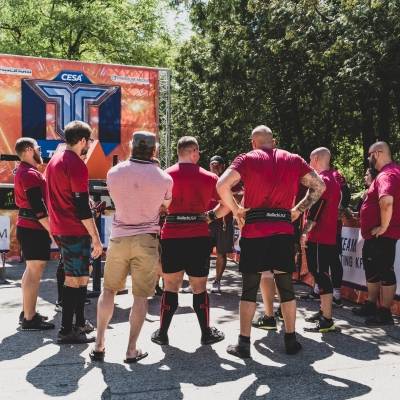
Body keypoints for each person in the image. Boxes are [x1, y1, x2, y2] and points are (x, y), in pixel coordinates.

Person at [217, 125, 325, 358]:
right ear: (273, 141)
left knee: (249, 288)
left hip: (254, 232)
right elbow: (319, 186)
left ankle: (243, 344)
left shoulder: (247, 158)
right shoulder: (293, 159)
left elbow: (221, 185)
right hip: (283, 231)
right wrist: (297, 210)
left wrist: (236, 210)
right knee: (286, 287)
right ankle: (291, 340)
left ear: (253, 143)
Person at [90, 131, 173, 363]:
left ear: (131, 146)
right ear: (154, 150)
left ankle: (99, 344)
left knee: (108, 291)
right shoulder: (164, 178)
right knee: (141, 297)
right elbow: (165, 205)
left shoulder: (114, 173)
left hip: (119, 237)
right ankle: (131, 349)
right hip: (146, 239)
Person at [151, 136, 229, 347]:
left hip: (172, 236)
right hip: (198, 236)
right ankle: (206, 333)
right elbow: (227, 204)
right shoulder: (209, 177)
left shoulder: (164, 175)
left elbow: (155, 206)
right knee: (199, 287)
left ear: (178, 152)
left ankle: (162, 334)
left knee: (170, 286)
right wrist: (210, 216)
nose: (199, 155)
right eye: (198, 151)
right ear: (193, 152)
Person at [46, 120, 102, 344]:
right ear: (82, 140)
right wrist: (96, 238)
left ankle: (78, 324)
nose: (89, 145)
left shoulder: (54, 161)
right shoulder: (76, 164)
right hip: (74, 229)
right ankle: (67, 330)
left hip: (62, 227)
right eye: (89, 141)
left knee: (81, 276)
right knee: (74, 278)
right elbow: (81, 207)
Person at [352, 141, 400, 325]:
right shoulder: (386, 173)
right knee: (373, 270)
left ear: (378, 153)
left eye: (369, 155)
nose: (368, 158)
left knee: (385, 270)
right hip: (374, 235)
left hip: (383, 235)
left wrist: (383, 227)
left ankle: (385, 313)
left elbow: (386, 201)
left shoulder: (387, 174)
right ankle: (371, 304)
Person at [14, 138, 55, 330]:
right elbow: (38, 207)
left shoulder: (26, 171)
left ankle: (27, 312)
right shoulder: (29, 173)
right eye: (38, 148)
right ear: (29, 149)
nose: (40, 151)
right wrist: (52, 230)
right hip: (33, 227)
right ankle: (29, 319)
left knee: (31, 270)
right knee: (34, 271)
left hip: (29, 226)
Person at [301, 147, 341, 333]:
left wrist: (304, 233)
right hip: (326, 235)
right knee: (321, 273)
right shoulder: (333, 178)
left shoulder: (322, 180)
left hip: (319, 235)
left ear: (316, 158)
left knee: (320, 274)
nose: (309, 163)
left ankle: (327, 319)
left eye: (310, 160)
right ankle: (324, 311)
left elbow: (316, 211)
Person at [208, 155, 238, 293]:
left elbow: (238, 196)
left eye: (217, 165)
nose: (215, 168)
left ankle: (217, 281)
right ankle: (199, 281)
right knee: (202, 253)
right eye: (212, 165)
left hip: (224, 222)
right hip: (208, 221)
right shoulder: (207, 179)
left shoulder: (230, 180)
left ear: (223, 166)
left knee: (221, 253)